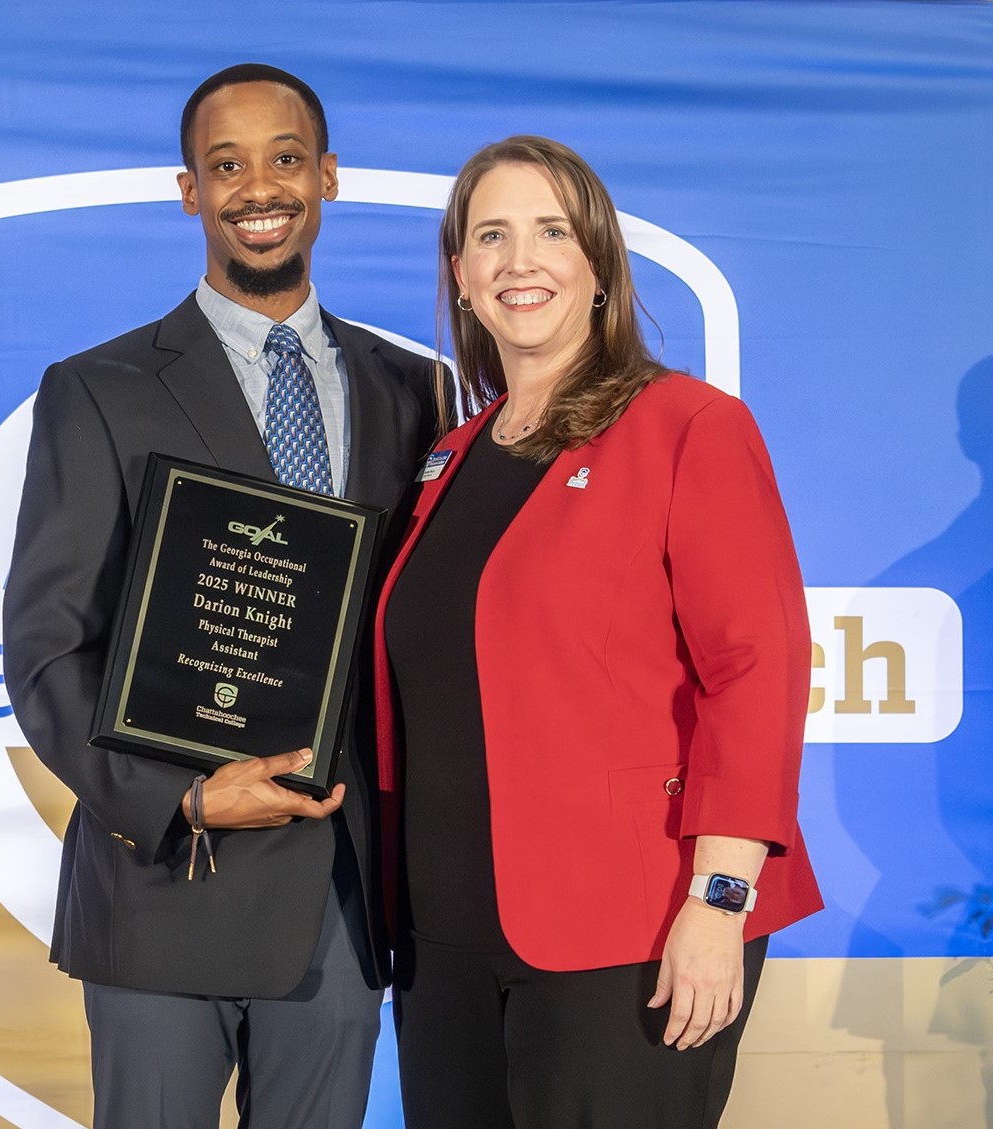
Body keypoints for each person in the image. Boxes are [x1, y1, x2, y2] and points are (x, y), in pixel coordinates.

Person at [2, 63, 445, 1129]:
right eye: (227, 164)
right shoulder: (99, 388)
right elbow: (47, 647)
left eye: (286, 158)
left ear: (328, 176)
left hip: (342, 890)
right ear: (190, 189)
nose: (260, 187)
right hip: (167, 877)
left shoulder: (417, 392)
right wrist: (184, 799)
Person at [373, 135, 822, 1127]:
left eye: (550, 232)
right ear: (460, 271)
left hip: (632, 927)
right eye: (490, 235)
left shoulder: (685, 426)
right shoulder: (444, 459)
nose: (518, 261)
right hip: (444, 941)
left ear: (597, 263)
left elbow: (760, 667)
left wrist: (720, 898)